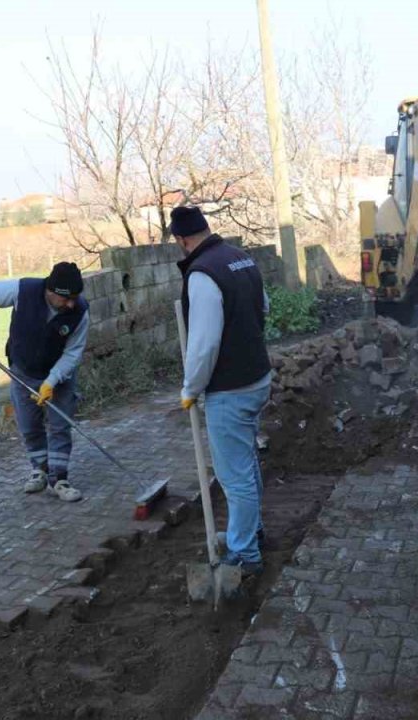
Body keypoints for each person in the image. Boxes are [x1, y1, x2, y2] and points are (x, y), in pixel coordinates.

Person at [172, 205, 272, 576]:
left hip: (230, 388)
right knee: (245, 463)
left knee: (233, 476)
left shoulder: (201, 275)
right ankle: (254, 531)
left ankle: (244, 553)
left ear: (181, 240)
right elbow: (264, 305)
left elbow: (203, 344)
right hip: (258, 376)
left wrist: (190, 388)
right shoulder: (239, 258)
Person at [0, 262, 88, 502]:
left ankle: (58, 480)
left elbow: (73, 353)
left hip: (60, 375)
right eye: (67, 299)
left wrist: (51, 381)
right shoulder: (23, 291)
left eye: (75, 298)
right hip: (23, 371)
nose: (71, 304)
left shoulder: (80, 313)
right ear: (51, 292)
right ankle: (40, 471)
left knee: (60, 425)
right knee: (29, 425)